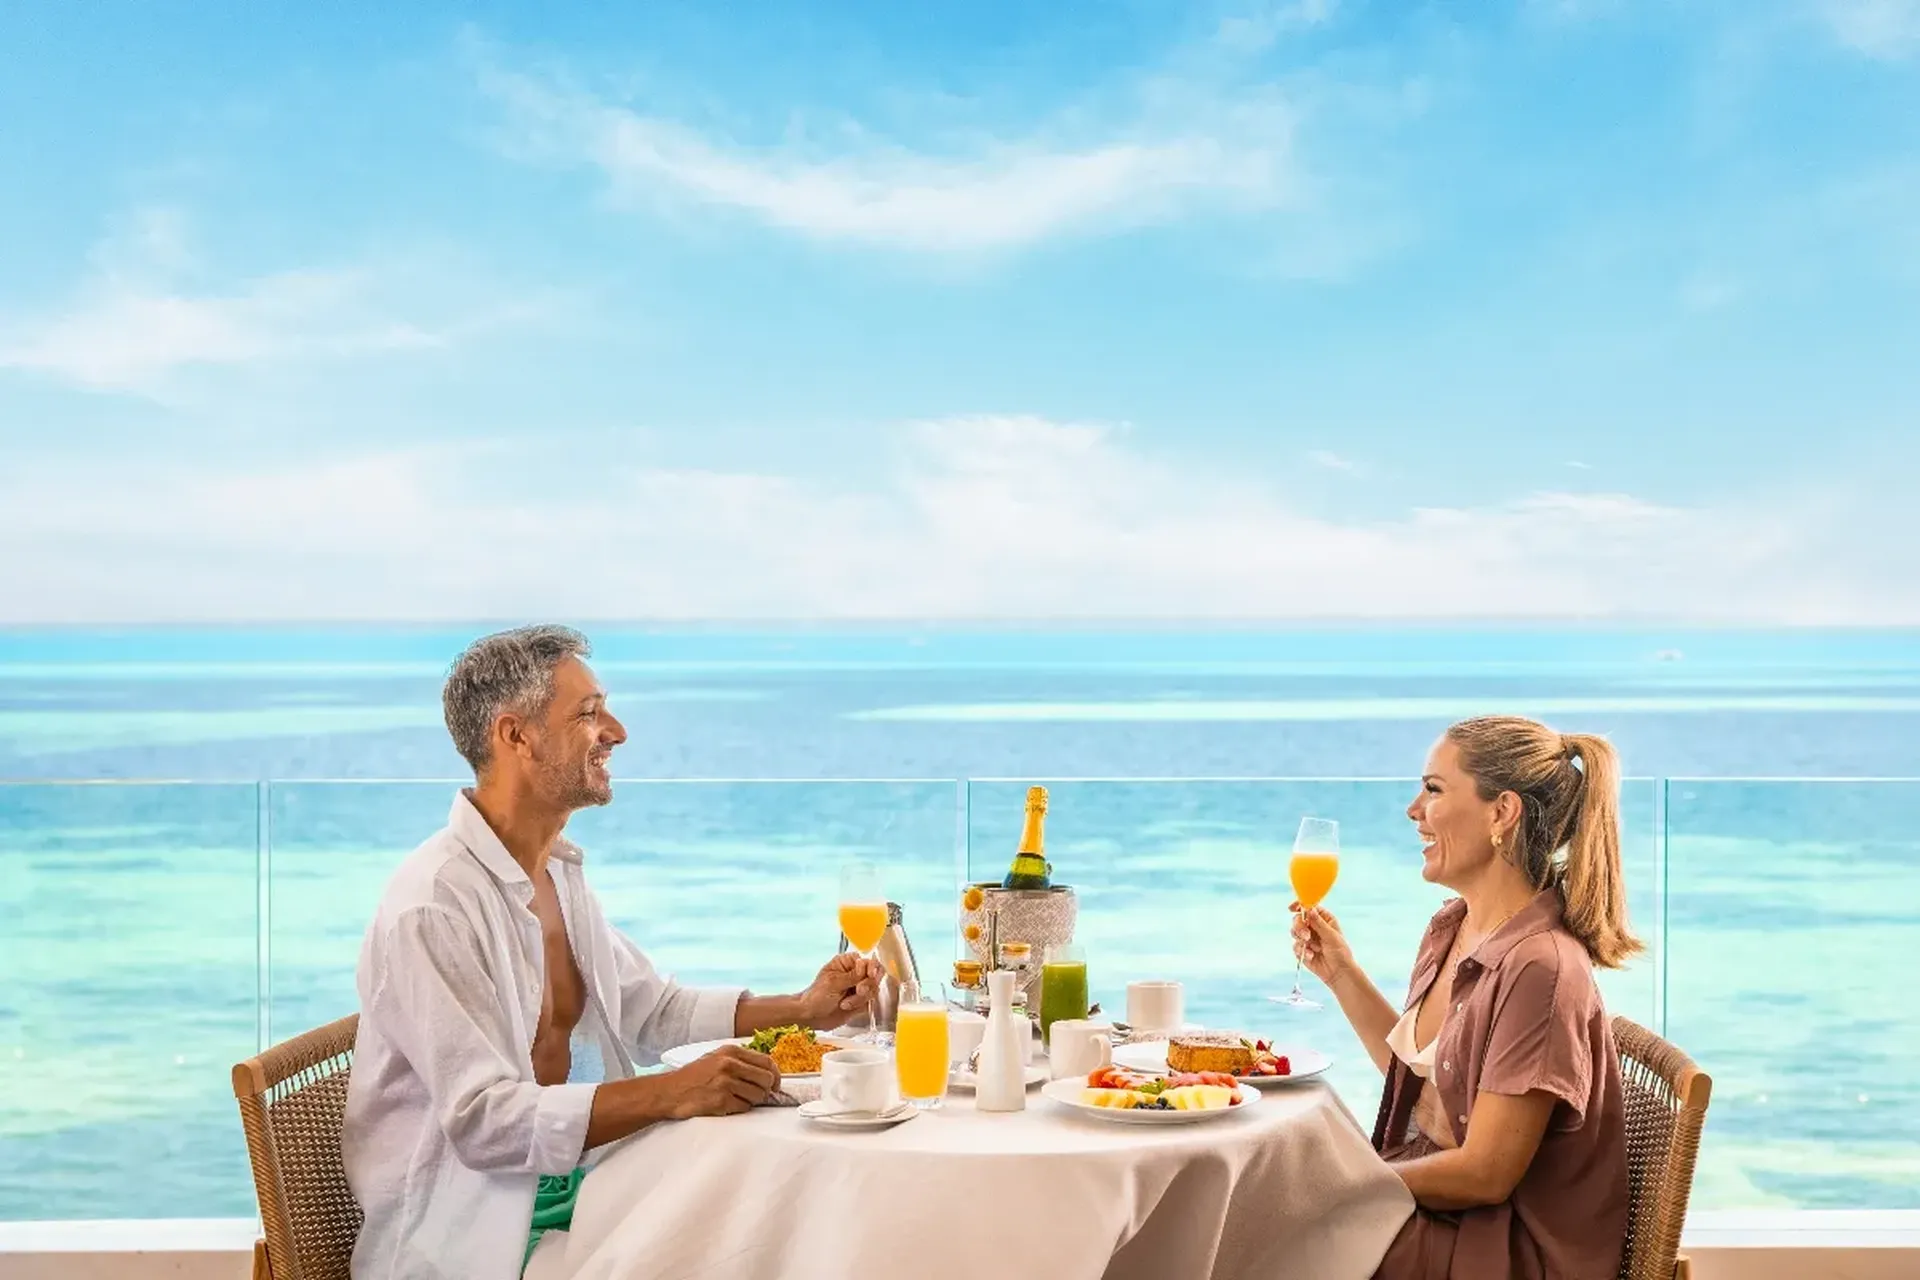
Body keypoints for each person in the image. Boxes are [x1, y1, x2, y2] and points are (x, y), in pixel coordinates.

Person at [342, 625, 884, 1280]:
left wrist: (804, 1009)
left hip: (575, 1186)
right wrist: (669, 1093)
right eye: (589, 713)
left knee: (786, 1214)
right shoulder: (434, 907)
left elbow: (653, 1012)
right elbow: (483, 1121)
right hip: (477, 1237)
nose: (617, 731)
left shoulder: (555, 872)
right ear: (516, 736)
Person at [1292, 716, 1637, 1280]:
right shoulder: (1454, 927)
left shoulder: (1540, 967)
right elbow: (1425, 1087)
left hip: (1495, 1248)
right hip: (1446, 1215)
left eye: (1432, 789)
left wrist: (1345, 1185)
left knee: (1255, 1228)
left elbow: (1486, 1174)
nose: (1412, 810)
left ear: (1501, 812)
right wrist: (1341, 974)